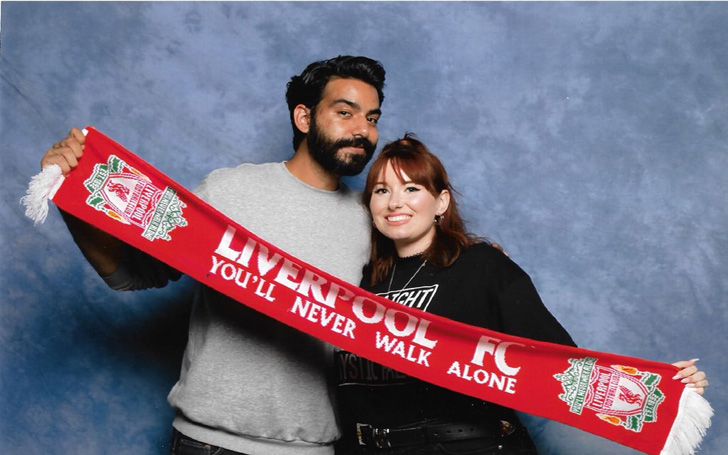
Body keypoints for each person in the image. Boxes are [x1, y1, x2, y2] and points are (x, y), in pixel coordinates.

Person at [40, 55, 386, 455]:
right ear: (304, 118)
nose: (363, 130)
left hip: (310, 447)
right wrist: (69, 196)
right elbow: (132, 274)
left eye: (373, 119)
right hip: (206, 444)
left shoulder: (372, 220)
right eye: (346, 112)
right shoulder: (230, 190)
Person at [334, 134, 709, 455]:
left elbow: (561, 360)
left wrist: (658, 386)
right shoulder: (362, 282)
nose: (394, 202)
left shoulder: (482, 266)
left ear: (441, 202)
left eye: (411, 188)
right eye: (382, 190)